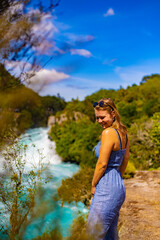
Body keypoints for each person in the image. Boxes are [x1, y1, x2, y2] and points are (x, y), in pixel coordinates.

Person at [86, 98, 129, 240]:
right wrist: (117, 178)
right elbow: (125, 160)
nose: (99, 121)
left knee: (93, 233)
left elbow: (102, 164)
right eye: (97, 118)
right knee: (109, 234)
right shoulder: (123, 132)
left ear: (113, 114)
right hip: (118, 185)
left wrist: (93, 185)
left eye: (102, 117)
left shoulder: (108, 133)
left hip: (106, 187)